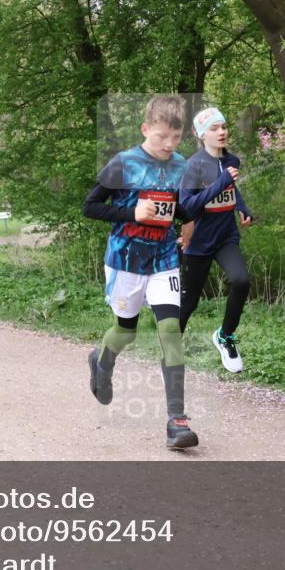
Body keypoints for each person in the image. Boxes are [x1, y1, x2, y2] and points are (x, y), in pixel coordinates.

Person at [82, 95, 198, 450]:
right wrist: (133, 213)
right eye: (162, 136)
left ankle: (176, 421)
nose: (169, 145)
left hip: (164, 258)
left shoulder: (182, 166)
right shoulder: (123, 164)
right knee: (126, 332)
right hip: (125, 261)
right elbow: (90, 207)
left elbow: (183, 208)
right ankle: (101, 359)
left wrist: (189, 224)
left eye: (176, 138)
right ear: (146, 129)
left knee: (170, 331)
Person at [178, 107, 254, 373]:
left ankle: (225, 336)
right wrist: (220, 183)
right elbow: (187, 206)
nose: (221, 132)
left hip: (225, 237)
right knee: (189, 300)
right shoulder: (193, 166)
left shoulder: (231, 160)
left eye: (223, 126)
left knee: (241, 281)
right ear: (202, 135)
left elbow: (231, 189)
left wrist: (242, 208)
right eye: (214, 128)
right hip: (198, 242)